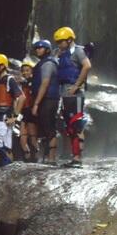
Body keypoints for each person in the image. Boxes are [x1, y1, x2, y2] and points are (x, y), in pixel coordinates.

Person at [54, 27, 92, 167]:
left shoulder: (78, 51)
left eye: (61, 42)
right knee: (70, 126)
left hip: (75, 93)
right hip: (65, 93)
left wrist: (77, 85)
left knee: (77, 124)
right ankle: (74, 156)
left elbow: (87, 66)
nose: (59, 44)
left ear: (69, 40)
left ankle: (78, 158)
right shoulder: (62, 53)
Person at [0, 54, 25, 166]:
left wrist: (15, 116)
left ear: (2, 66)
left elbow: (21, 98)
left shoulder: (9, 79)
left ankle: (9, 173)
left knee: (5, 148)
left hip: (4, 118)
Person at [31, 39, 60, 165]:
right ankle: (47, 156)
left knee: (49, 127)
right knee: (45, 126)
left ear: (47, 49)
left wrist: (36, 103)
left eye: (41, 48)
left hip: (49, 98)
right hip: (46, 98)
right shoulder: (45, 63)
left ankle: (52, 158)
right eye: (36, 48)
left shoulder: (48, 64)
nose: (38, 50)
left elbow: (45, 83)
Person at [19, 58, 39, 162]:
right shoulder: (23, 84)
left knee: (32, 134)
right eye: (23, 70)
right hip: (25, 110)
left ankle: (34, 154)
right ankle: (27, 155)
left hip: (31, 110)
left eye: (27, 70)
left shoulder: (34, 82)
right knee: (23, 134)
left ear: (32, 71)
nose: (25, 72)